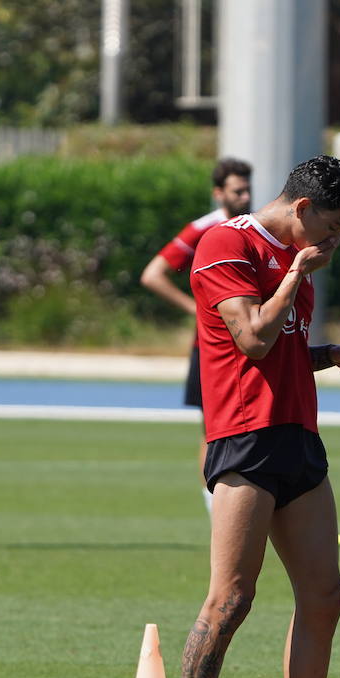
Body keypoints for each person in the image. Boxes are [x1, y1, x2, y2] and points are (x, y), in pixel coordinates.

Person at [174, 155, 340, 678]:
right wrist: (293, 274)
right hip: (244, 442)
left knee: (325, 595)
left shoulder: (300, 270)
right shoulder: (224, 242)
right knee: (230, 600)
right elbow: (251, 339)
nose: (336, 241)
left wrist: (330, 354)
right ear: (302, 210)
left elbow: (283, 349)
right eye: (333, 227)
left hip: (299, 442)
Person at [139, 157, 253, 515]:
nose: (246, 196)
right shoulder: (203, 229)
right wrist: (196, 308)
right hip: (212, 348)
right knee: (214, 429)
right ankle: (215, 509)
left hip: (252, 344)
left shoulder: (253, 227)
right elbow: (153, 274)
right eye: (238, 190)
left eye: (248, 188)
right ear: (218, 193)